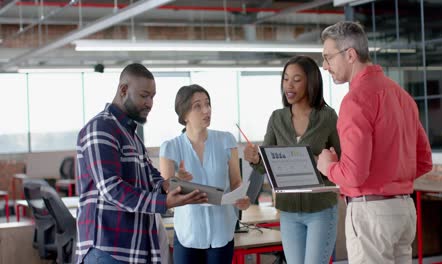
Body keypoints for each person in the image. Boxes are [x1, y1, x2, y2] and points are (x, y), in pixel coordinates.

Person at [317, 21, 433, 264]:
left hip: (371, 214)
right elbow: (424, 161)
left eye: (328, 58)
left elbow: (353, 175)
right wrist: (392, 175)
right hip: (404, 211)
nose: (325, 66)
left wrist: (327, 166)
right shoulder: (402, 96)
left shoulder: (355, 100)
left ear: (350, 55)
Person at [75, 63, 208, 264]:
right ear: (123, 90)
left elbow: (149, 175)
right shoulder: (100, 128)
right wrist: (165, 202)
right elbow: (111, 189)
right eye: (144, 96)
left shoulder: (131, 135)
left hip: (133, 248)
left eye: (153, 97)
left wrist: (168, 185)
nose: (149, 103)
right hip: (107, 249)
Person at [243, 55, 341, 264]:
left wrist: (320, 160)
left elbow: (341, 162)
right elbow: (264, 167)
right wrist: (254, 159)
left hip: (321, 209)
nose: (289, 85)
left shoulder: (328, 117)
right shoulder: (277, 118)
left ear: (311, 82)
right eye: (286, 79)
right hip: (288, 211)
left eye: (297, 79)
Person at [159, 84, 250, 264]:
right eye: (197, 106)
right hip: (188, 235)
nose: (206, 110)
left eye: (208, 104)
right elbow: (166, 196)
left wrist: (242, 199)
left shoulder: (226, 140)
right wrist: (177, 181)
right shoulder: (170, 147)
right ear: (184, 114)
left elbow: (236, 182)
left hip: (222, 233)